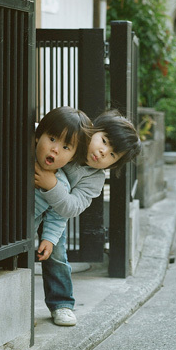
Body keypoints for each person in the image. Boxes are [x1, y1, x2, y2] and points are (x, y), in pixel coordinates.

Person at [35, 108, 142, 326]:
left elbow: (71, 208)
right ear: (92, 130)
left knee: (56, 255)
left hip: (57, 216)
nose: (103, 152)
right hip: (33, 205)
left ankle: (62, 303)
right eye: (103, 140)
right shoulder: (69, 139)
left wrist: (52, 185)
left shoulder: (94, 179)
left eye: (112, 154)